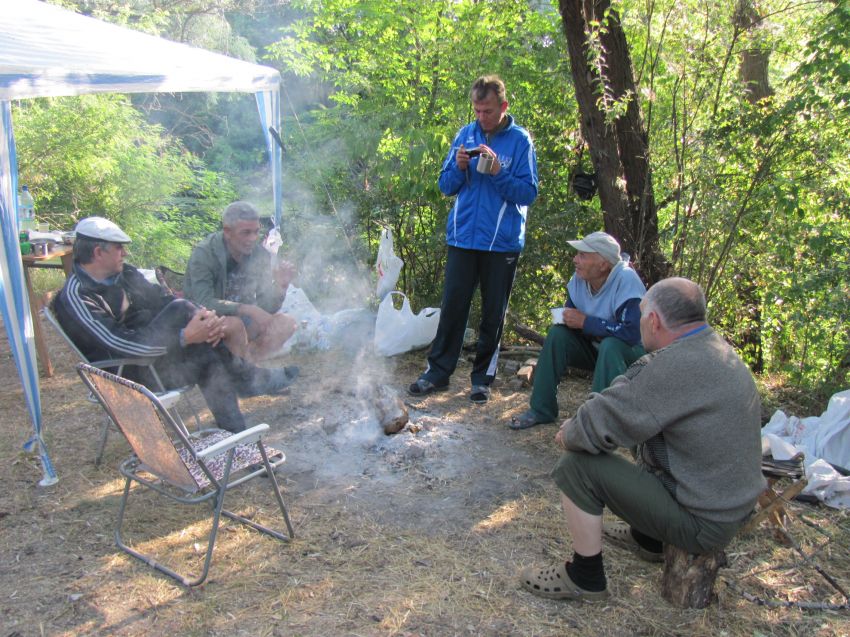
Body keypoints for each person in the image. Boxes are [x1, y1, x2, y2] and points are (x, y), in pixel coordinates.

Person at [517, 277, 765, 602]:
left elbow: (596, 423)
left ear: (654, 321)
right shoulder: (717, 350)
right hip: (725, 507)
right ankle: (649, 540)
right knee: (644, 432)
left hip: (702, 523)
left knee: (576, 466)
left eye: (642, 314)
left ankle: (585, 577)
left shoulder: (672, 365)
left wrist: (571, 432)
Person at [53, 217, 293, 433]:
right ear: (98, 252)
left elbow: (162, 299)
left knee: (207, 355)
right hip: (126, 373)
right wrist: (183, 337)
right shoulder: (78, 297)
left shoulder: (124, 274)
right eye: (119, 248)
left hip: (158, 358)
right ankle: (247, 378)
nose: (124, 253)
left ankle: (239, 437)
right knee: (182, 311)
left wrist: (204, 320)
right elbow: (122, 345)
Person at [408, 74, 538, 404]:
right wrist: (459, 166)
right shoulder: (465, 135)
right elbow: (445, 186)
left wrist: (498, 172)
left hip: (502, 243)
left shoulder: (520, 141)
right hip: (463, 238)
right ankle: (437, 373)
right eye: (477, 111)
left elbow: (527, 193)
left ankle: (482, 379)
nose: (482, 118)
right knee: (452, 308)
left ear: (504, 106)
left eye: (488, 111)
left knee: (493, 314)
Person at [509, 231, 646, 430]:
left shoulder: (626, 280)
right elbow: (574, 320)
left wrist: (587, 322)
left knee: (611, 345)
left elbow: (632, 333)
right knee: (557, 334)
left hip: (629, 357)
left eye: (582, 255)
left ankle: (595, 423)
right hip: (595, 349)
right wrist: (567, 320)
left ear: (603, 264)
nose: (575, 260)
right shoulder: (580, 278)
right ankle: (541, 409)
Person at [184, 201, 298, 364]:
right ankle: (242, 365)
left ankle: (246, 362)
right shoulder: (205, 254)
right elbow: (202, 302)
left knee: (286, 323)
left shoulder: (259, 255)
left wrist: (281, 286)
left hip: (245, 325)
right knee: (234, 324)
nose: (252, 239)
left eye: (256, 232)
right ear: (227, 232)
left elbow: (265, 309)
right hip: (211, 325)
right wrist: (246, 309)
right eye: (245, 233)